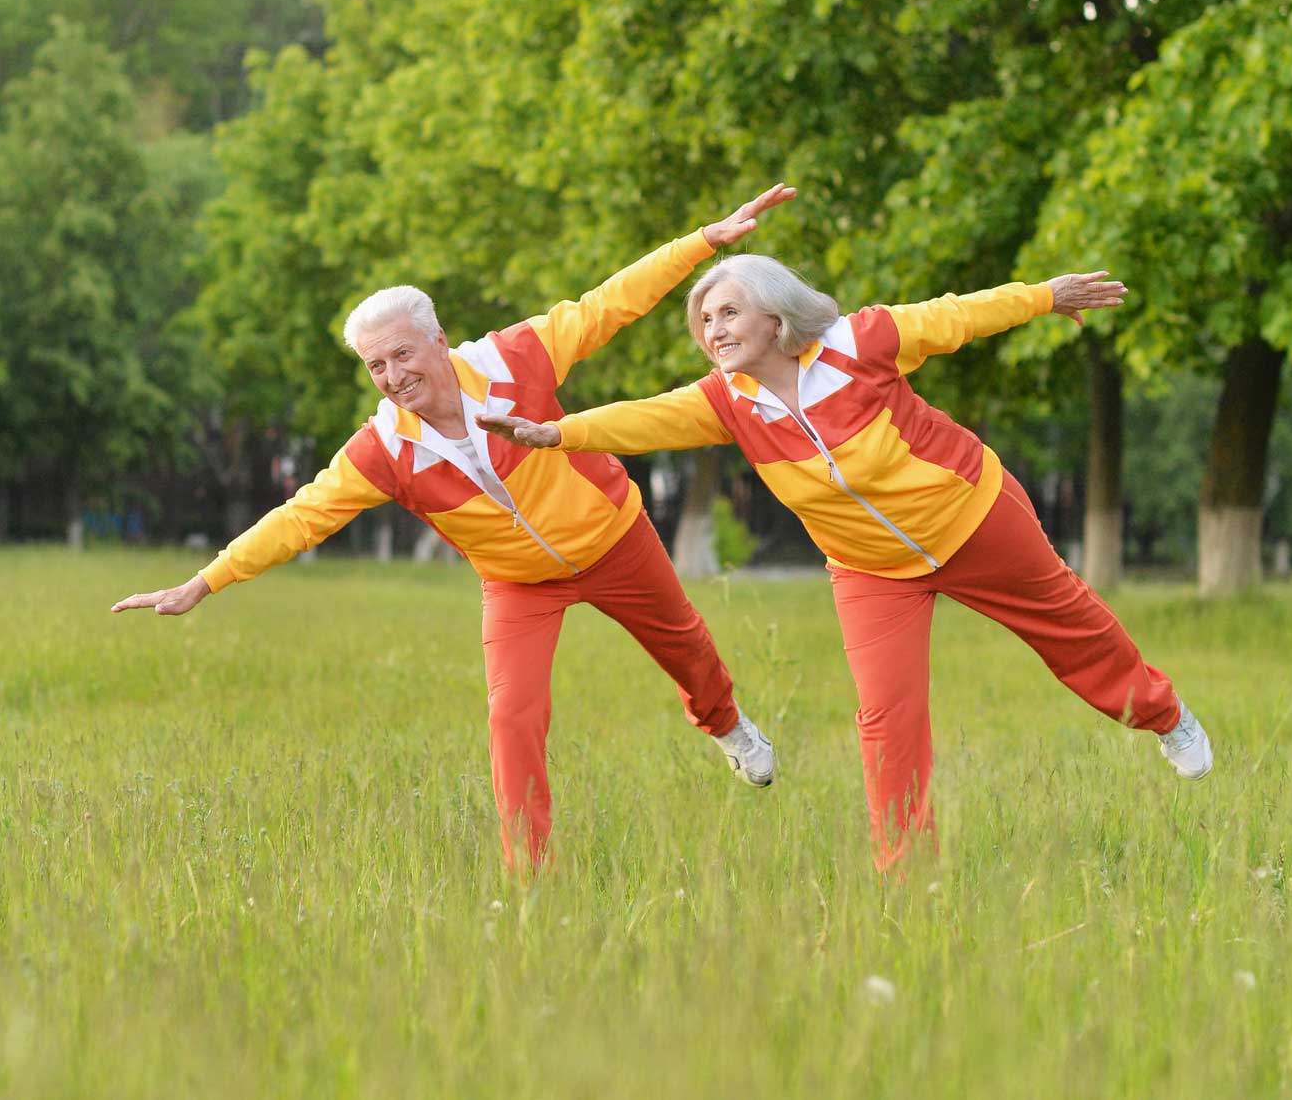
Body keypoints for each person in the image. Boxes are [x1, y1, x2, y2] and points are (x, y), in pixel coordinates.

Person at [114, 185, 801, 872]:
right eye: (376, 366)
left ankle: (728, 727)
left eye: (402, 355)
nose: (393, 376)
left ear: (438, 341)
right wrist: (205, 581)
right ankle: (528, 870)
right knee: (512, 715)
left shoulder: (516, 359)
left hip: (613, 537)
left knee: (689, 651)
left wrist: (704, 242)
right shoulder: (384, 449)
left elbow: (609, 303)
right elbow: (300, 517)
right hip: (518, 584)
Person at [481, 249, 1214, 873]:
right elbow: (645, 417)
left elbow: (957, 314)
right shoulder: (727, 401)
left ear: (775, 314)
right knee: (885, 717)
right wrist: (556, 433)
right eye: (704, 321)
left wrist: (1047, 296)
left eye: (729, 313)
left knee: (1072, 633)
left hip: (969, 515)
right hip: (870, 568)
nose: (714, 330)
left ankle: (1165, 714)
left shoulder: (861, 342)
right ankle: (906, 874)